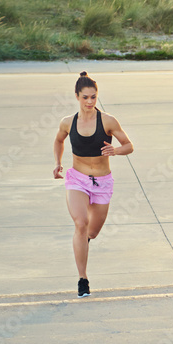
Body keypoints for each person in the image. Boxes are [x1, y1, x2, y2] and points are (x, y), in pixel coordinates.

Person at [54, 71, 133, 297]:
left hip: (102, 181)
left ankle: (84, 241)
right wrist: (57, 163)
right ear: (77, 97)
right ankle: (83, 279)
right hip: (77, 178)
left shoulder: (108, 121)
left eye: (93, 97)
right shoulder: (68, 122)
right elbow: (58, 140)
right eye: (85, 97)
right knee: (80, 223)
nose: (89, 102)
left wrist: (116, 150)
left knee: (92, 232)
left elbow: (129, 145)